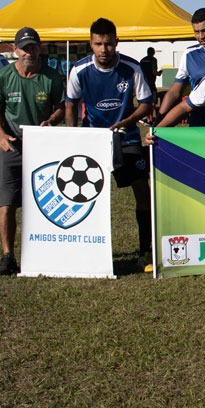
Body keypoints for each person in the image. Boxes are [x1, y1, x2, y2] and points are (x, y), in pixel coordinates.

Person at [65, 18, 155, 269]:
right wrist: (73, 137)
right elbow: (70, 104)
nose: (104, 49)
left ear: (117, 42)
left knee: (142, 189)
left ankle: (145, 251)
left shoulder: (132, 68)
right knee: (85, 193)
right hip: (93, 140)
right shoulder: (79, 69)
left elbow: (146, 104)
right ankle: (86, 251)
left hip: (125, 137)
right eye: (98, 44)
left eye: (108, 44)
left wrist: (127, 120)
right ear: (90, 44)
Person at [0, 27, 65, 276]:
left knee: (46, 202)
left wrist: (51, 121)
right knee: (7, 203)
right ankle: (8, 256)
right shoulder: (2, 76)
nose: (28, 52)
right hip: (13, 146)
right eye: (24, 48)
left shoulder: (52, 77)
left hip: (43, 147)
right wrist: (0, 136)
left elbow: (61, 107)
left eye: (33, 47)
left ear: (39, 49)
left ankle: (45, 251)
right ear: (14, 49)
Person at [159, 8, 205, 127]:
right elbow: (175, 91)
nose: (201, 36)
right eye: (196, 32)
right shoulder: (189, 54)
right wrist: (160, 118)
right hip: (199, 123)